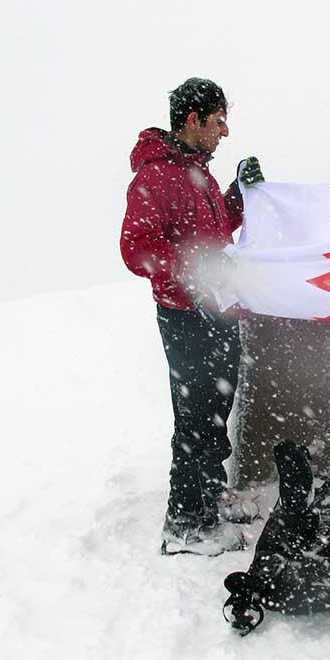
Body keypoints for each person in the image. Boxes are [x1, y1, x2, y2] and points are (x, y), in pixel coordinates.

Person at [120, 77, 266, 555]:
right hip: (185, 315)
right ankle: (187, 525)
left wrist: (239, 196)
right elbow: (137, 248)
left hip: (217, 309)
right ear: (192, 120)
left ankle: (209, 497)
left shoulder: (195, 173)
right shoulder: (156, 177)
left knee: (215, 414)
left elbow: (215, 228)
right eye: (218, 120)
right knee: (196, 419)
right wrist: (197, 266)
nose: (224, 131)